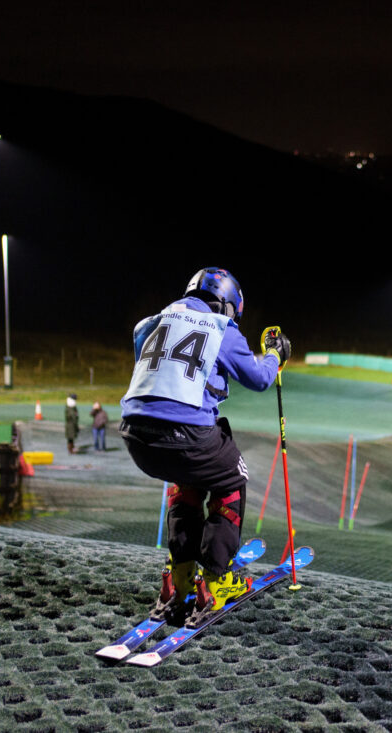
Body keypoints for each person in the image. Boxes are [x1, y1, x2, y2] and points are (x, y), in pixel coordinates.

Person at [119, 267, 289, 626]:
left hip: (135, 435)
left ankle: (179, 580)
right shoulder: (221, 326)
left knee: (189, 477)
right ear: (227, 305)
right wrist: (275, 354)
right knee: (232, 478)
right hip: (185, 435)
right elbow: (259, 378)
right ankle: (215, 582)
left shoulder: (153, 321)